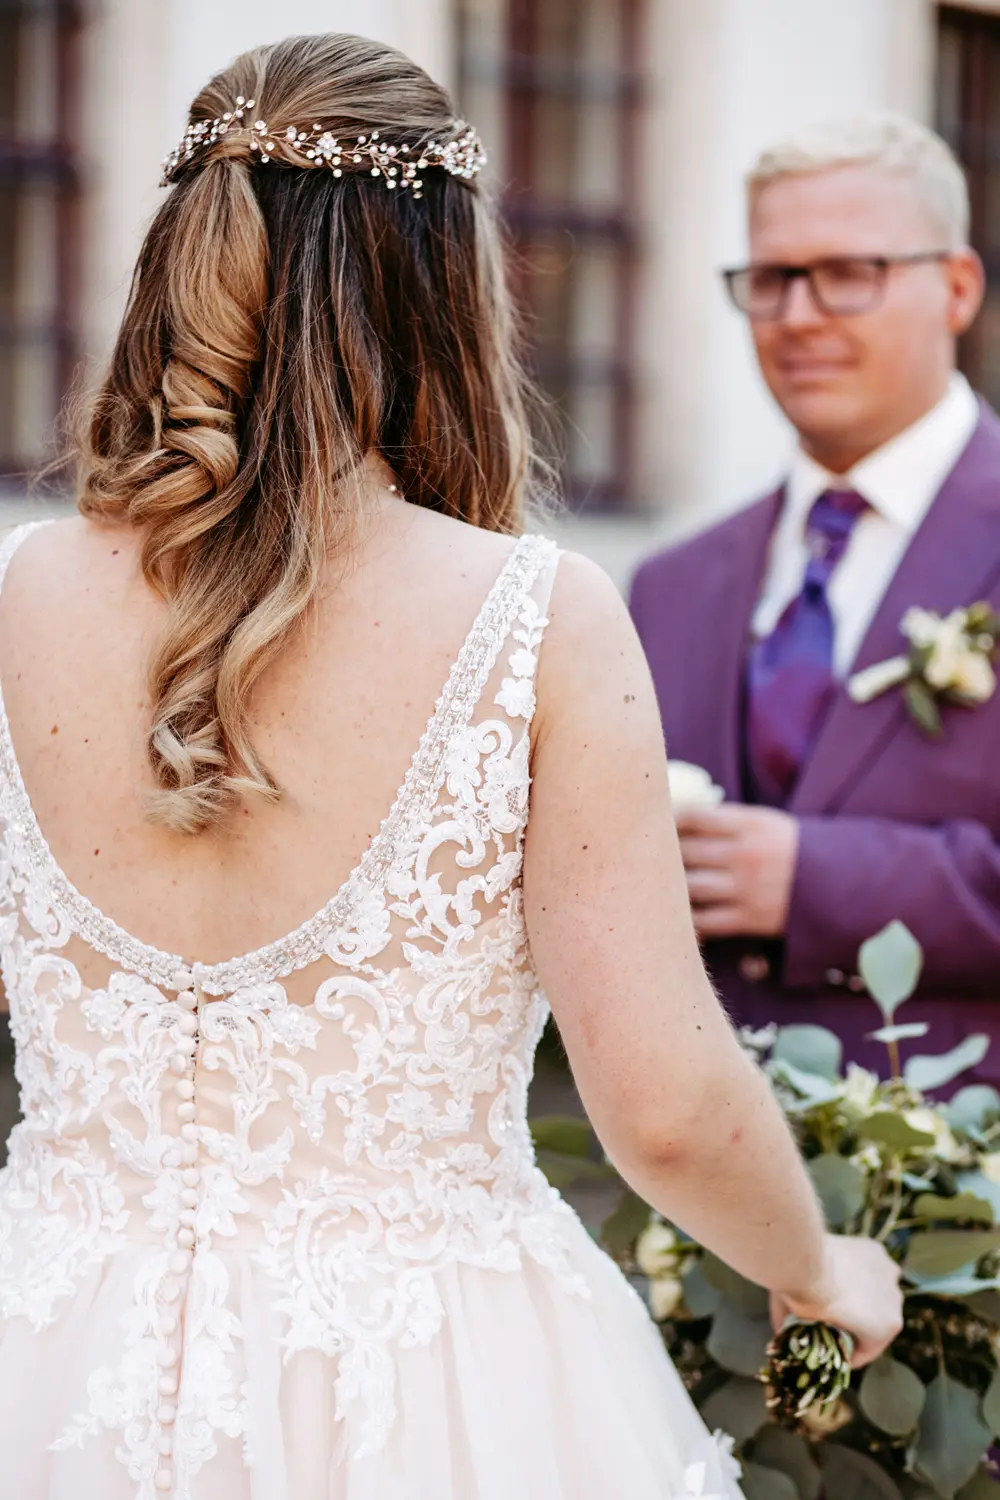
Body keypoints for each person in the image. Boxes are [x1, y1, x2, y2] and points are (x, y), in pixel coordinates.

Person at [0, 37, 900, 1498]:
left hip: (51, 1366)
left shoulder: (20, 594)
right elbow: (662, 1107)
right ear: (437, 283)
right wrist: (821, 1262)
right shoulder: (533, 619)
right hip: (424, 1398)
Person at [630, 113, 1000, 1081]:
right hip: (697, 1184)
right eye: (770, 279)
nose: (797, 315)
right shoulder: (667, 588)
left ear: (956, 286)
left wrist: (813, 881)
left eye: (848, 272)